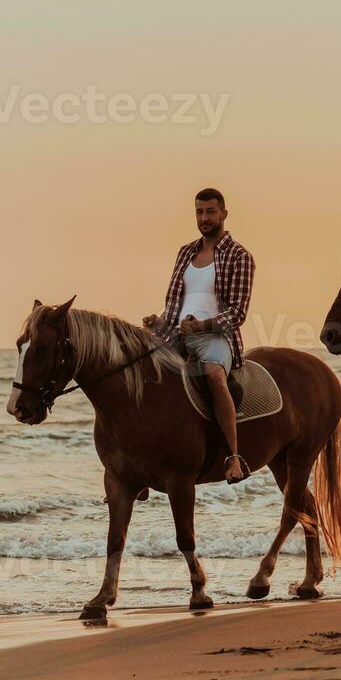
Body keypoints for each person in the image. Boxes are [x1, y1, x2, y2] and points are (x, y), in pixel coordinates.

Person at [144, 188, 256, 483]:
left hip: (216, 338)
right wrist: (159, 324)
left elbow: (237, 313)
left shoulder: (239, 256)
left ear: (223, 214)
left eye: (210, 212)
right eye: (199, 212)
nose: (204, 218)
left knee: (213, 377)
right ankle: (139, 465)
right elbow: (173, 305)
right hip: (177, 338)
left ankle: (233, 457)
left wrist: (202, 326)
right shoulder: (185, 252)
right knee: (140, 375)